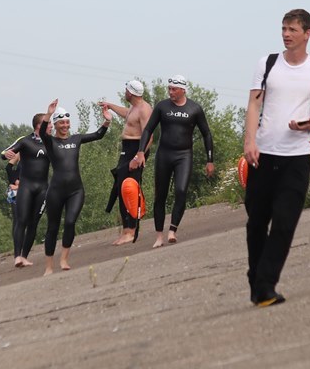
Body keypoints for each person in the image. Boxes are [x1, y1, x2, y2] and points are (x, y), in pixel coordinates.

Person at [243, 9, 310, 307]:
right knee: (256, 222)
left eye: (292, 29)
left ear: (307, 33)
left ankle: (265, 286)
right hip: (264, 155)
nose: (286, 34)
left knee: (284, 222)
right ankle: (256, 277)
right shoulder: (268, 64)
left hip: (296, 157)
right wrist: (249, 141)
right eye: (283, 28)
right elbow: (254, 106)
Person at [130, 75, 215, 248]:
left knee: (181, 191)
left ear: (183, 89)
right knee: (160, 196)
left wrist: (210, 159)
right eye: (169, 88)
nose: (170, 92)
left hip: (184, 155)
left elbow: (206, 133)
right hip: (164, 155)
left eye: (174, 89)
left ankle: (173, 230)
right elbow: (147, 130)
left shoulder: (195, 108)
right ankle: (159, 236)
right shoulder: (162, 106)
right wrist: (140, 151)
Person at [41, 100, 112, 274]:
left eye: (67, 122)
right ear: (56, 125)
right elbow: (43, 132)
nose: (65, 125)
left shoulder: (76, 139)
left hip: (75, 190)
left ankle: (64, 259)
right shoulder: (51, 142)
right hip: (56, 191)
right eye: (61, 123)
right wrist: (48, 113)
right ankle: (49, 266)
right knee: (53, 227)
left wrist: (107, 121)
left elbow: (97, 135)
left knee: (71, 222)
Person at [101, 80, 154, 245]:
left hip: (136, 150)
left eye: (126, 90)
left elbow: (149, 136)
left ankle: (131, 231)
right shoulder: (134, 107)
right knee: (120, 188)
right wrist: (110, 105)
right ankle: (126, 230)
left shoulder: (145, 109)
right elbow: (127, 113)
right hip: (127, 150)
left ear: (130, 92)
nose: (124, 92)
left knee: (129, 190)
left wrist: (138, 157)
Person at [1, 114, 52, 267]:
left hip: (43, 189)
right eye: (48, 123)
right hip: (26, 188)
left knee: (33, 223)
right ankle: (17, 256)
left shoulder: (51, 142)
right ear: (39, 125)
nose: (51, 126)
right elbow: (5, 154)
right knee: (21, 220)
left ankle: (24, 256)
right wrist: (5, 154)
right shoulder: (25, 141)